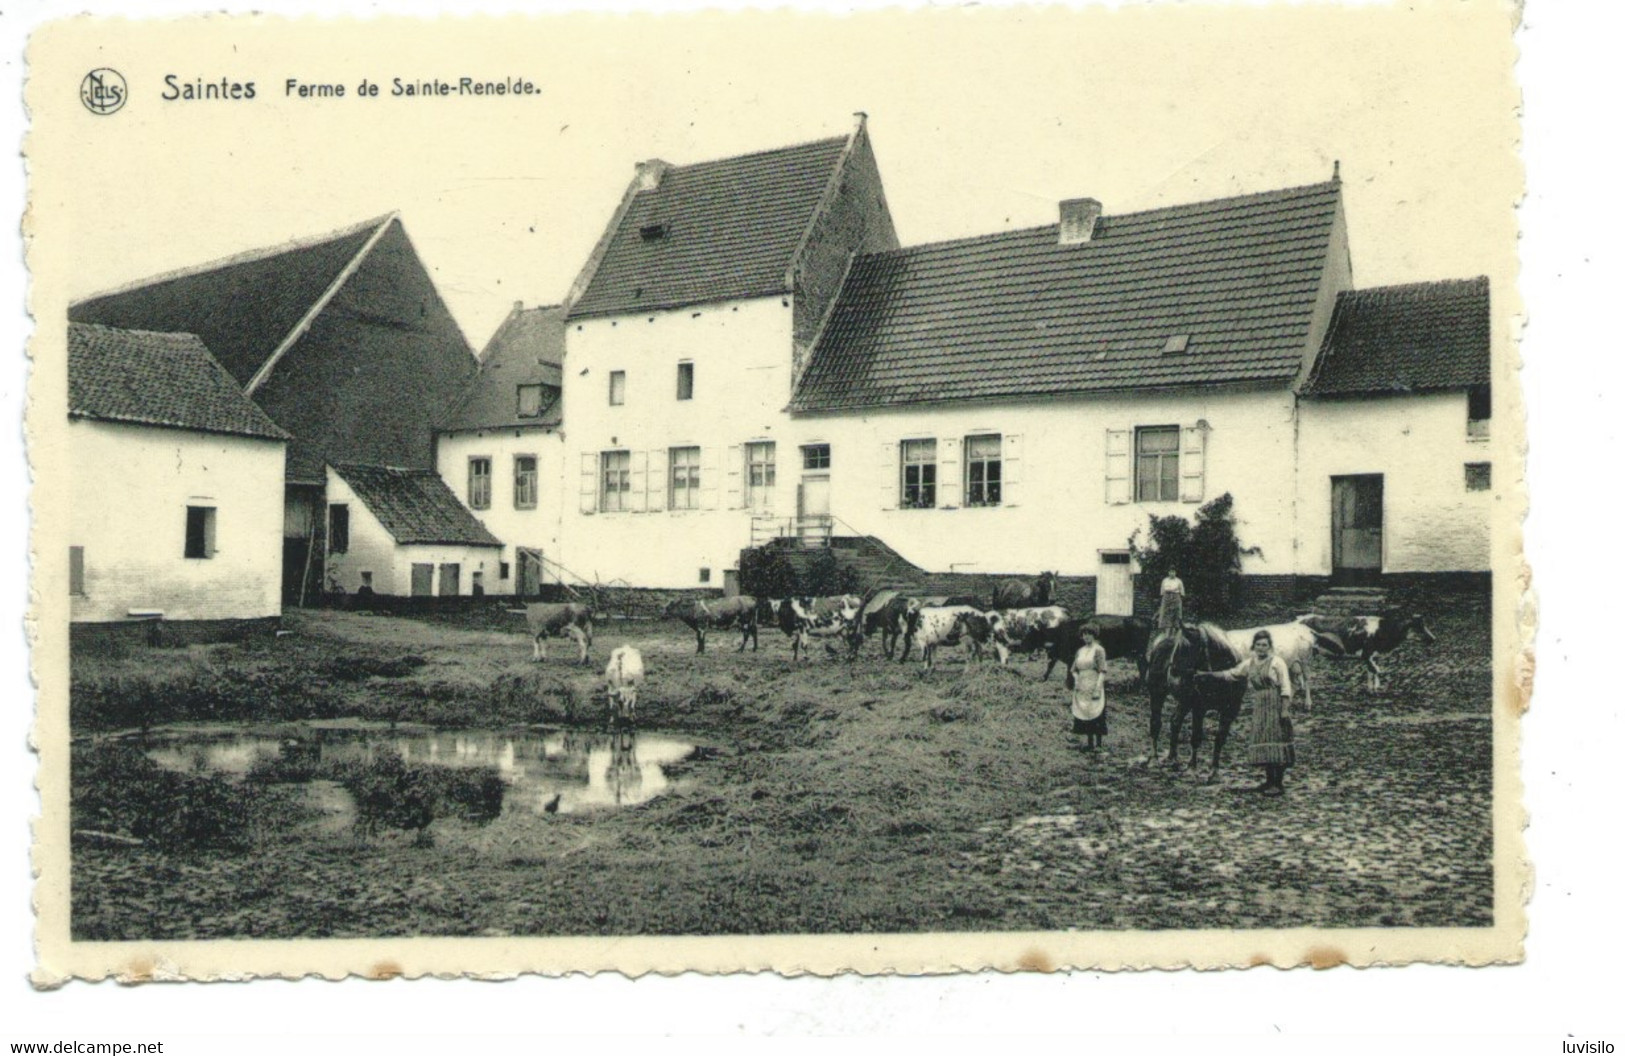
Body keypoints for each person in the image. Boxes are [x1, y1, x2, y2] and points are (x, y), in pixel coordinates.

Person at [1203, 628, 1296, 794]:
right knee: (1263, 738)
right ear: (1254, 646)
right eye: (1258, 645)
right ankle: (1268, 781)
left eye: (1264, 645)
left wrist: (1285, 709)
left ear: (1270, 647)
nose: (1261, 648)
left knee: (1277, 739)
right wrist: (1208, 675)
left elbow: (1286, 687)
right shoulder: (1250, 663)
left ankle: (1278, 783)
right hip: (1260, 704)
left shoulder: (1277, 662)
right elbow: (1232, 674)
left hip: (1275, 702)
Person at [1067, 624, 1108, 749]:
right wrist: (1077, 680)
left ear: (1094, 635)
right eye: (1084, 634)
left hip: (1094, 682)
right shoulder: (1080, 651)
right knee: (1085, 711)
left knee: (1097, 711)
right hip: (1082, 685)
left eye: (1089, 634)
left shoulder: (1099, 650)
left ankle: (1099, 744)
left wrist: (1098, 688)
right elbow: (1073, 669)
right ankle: (1090, 743)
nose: (1086, 637)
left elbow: (1102, 671)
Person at [1156, 568, 1185, 634]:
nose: (1172, 573)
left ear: (1176, 572)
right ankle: (1166, 633)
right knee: (1165, 614)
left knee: (1176, 614)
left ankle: (1176, 632)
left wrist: (1178, 598)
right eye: (1170, 572)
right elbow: (1162, 592)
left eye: (1173, 572)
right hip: (1166, 597)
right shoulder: (1165, 580)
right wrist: (1165, 597)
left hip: (1176, 597)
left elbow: (1182, 592)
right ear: (1168, 572)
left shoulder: (1179, 581)